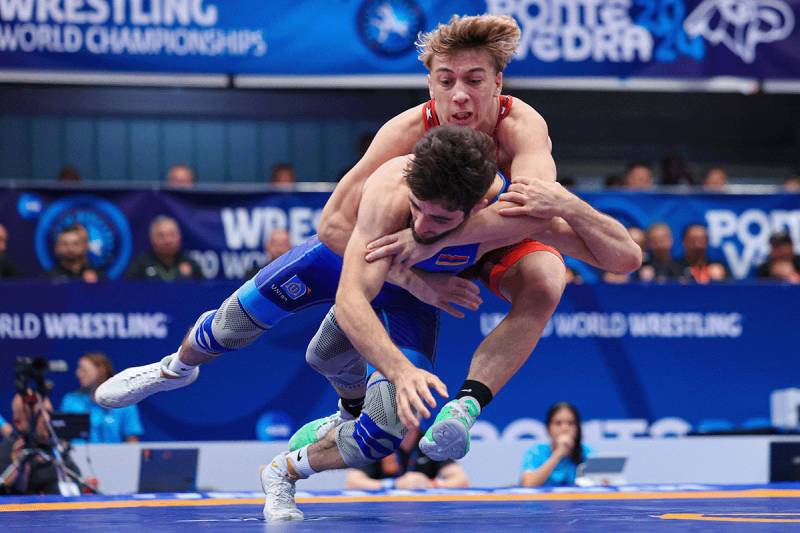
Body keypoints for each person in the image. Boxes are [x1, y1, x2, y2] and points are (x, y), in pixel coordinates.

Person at [0, 390, 81, 495]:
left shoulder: (58, 451)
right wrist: (19, 472)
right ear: (18, 422)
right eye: (39, 414)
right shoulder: (6, 453)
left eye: (49, 412)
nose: (47, 419)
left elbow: (78, 487)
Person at [344, 427, 468, 490]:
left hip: (424, 514)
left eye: (413, 409)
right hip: (383, 514)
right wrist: (394, 484)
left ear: (420, 414)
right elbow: (353, 482)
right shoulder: (377, 443)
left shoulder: (432, 442)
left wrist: (431, 484)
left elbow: (461, 480)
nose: (407, 416)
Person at [60, 353, 143, 443]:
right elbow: (63, 439)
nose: (78, 374)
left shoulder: (124, 401)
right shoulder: (71, 400)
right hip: (76, 452)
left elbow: (132, 440)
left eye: (84, 370)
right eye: (79, 369)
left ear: (101, 370)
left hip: (114, 452)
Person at [520, 402, 591, 487]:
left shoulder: (587, 453)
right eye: (558, 423)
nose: (565, 428)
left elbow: (597, 484)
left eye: (571, 423)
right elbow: (528, 484)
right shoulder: (536, 452)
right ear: (548, 428)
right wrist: (558, 453)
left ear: (577, 428)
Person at [126, 216, 203, 281]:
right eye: (161, 236)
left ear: (179, 237)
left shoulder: (191, 264)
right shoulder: (140, 265)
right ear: (152, 239)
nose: (167, 240)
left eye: (171, 235)